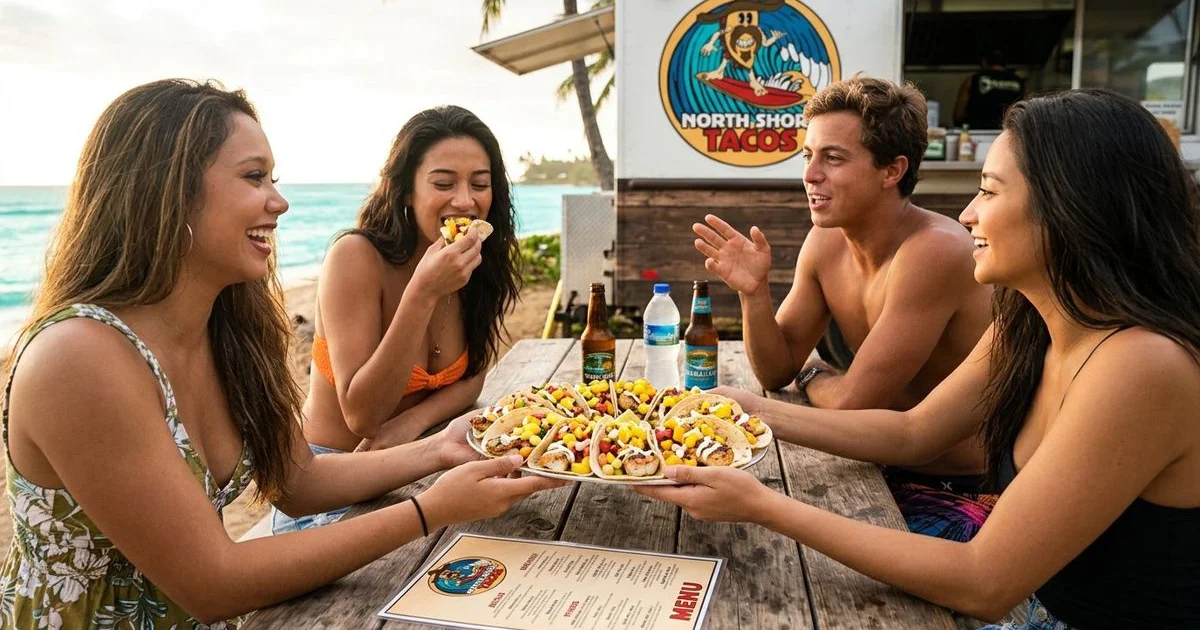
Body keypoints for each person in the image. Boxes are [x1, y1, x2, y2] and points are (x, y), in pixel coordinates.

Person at [0, 79, 562, 628]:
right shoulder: (77, 356)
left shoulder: (227, 331)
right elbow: (212, 583)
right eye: (254, 177)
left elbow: (299, 483)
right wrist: (428, 510)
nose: (281, 201)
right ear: (165, 190)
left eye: (273, 177)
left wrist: (441, 449)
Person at [640, 89, 1200, 628]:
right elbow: (912, 434)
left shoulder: (1144, 364)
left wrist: (764, 506)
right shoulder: (1028, 319)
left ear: (1072, 205)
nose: (968, 214)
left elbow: (984, 583)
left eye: (990, 191)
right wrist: (745, 409)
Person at [694, 76, 994, 540]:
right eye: (808, 156)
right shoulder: (827, 241)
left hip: (960, 490)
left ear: (891, 170)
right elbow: (776, 371)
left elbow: (855, 403)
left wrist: (814, 374)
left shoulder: (934, 250)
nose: (811, 175)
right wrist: (754, 294)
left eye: (833, 158)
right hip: (874, 466)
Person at [272, 105, 521, 533]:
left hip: (415, 474)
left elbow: (474, 375)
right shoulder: (355, 257)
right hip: (333, 494)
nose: (465, 201)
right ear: (405, 189)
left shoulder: (473, 263)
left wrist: (412, 422)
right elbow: (364, 418)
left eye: (480, 184)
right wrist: (423, 292)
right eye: (444, 183)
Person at [953, 49, 1025, 131]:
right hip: (1009, 134)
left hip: (978, 135)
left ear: (984, 62)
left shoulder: (972, 80)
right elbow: (1028, 112)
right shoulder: (1019, 82)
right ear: (1006, 63)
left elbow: (958, 115)